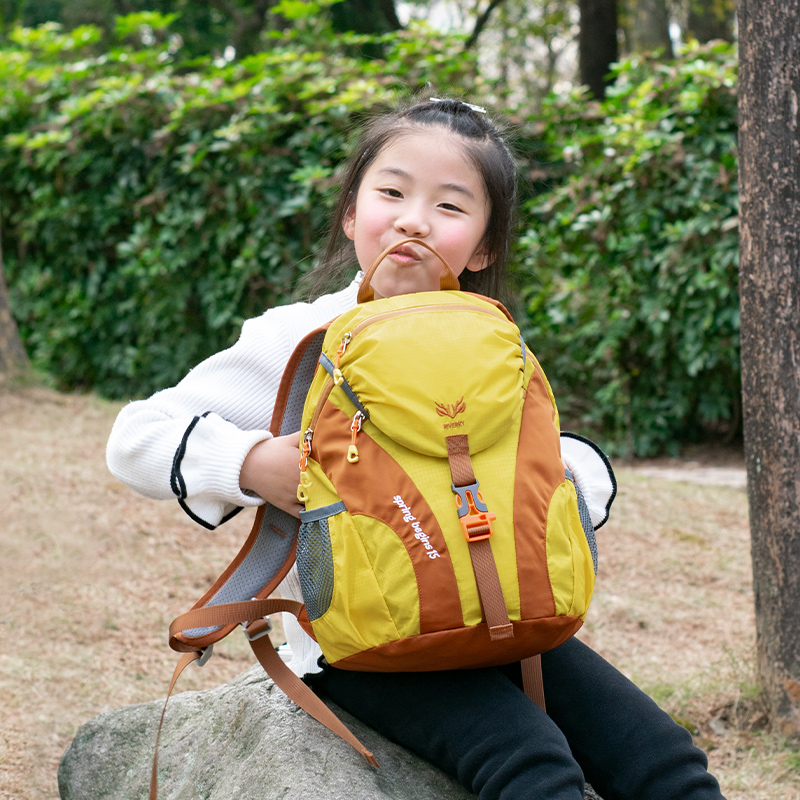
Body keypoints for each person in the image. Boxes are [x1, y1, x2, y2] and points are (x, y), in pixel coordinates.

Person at [107, 96, 726, 800]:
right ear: (350, 211)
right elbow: (135, 439)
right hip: (364, 643)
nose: (413, 219)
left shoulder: (490, 341)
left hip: (505, 623)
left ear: (486, 245)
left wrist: (555, 491)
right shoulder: (302, 339)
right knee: (531, 765)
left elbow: (566, 461)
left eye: (451, 206)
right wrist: (252, 465)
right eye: (392, 192)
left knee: (665, 761)